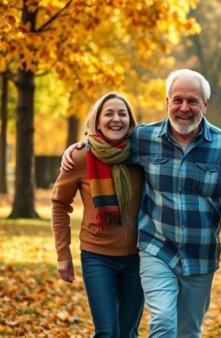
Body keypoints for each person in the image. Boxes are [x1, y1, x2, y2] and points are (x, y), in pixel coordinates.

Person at [62, 69, 221, 337]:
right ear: (167, 101)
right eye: (178, 100)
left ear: (205, 104)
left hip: (200, 254)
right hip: (156, 247)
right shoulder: (144, 138)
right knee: (161, 321)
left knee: (188, 330)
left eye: (192, 101)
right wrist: (80, 146)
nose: (184, 108)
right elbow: (108, 144)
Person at [51, 92, 145, 337]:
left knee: (128, 332)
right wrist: (63, 254)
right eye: (109, 113)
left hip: (139, 257)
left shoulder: (141, 154)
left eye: (122, 113)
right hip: (97, 257)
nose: (116, 119)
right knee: (107, 332)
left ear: (130, 120)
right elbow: (59, 203)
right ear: (97, 120)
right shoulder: (81, 156)